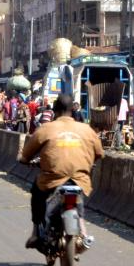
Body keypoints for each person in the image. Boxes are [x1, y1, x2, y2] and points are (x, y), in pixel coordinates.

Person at [17, 94, 104, 248]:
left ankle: (36, 232)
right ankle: (81, 233)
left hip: (52, 179)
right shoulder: (86, 129)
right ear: (73, 110)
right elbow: (99, 154)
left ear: (55, 111)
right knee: (79, 199)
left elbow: (26, 155)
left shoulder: (46, 128)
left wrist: (24, 160)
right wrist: (87, 164)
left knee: (36, 193)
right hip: (80, 178)